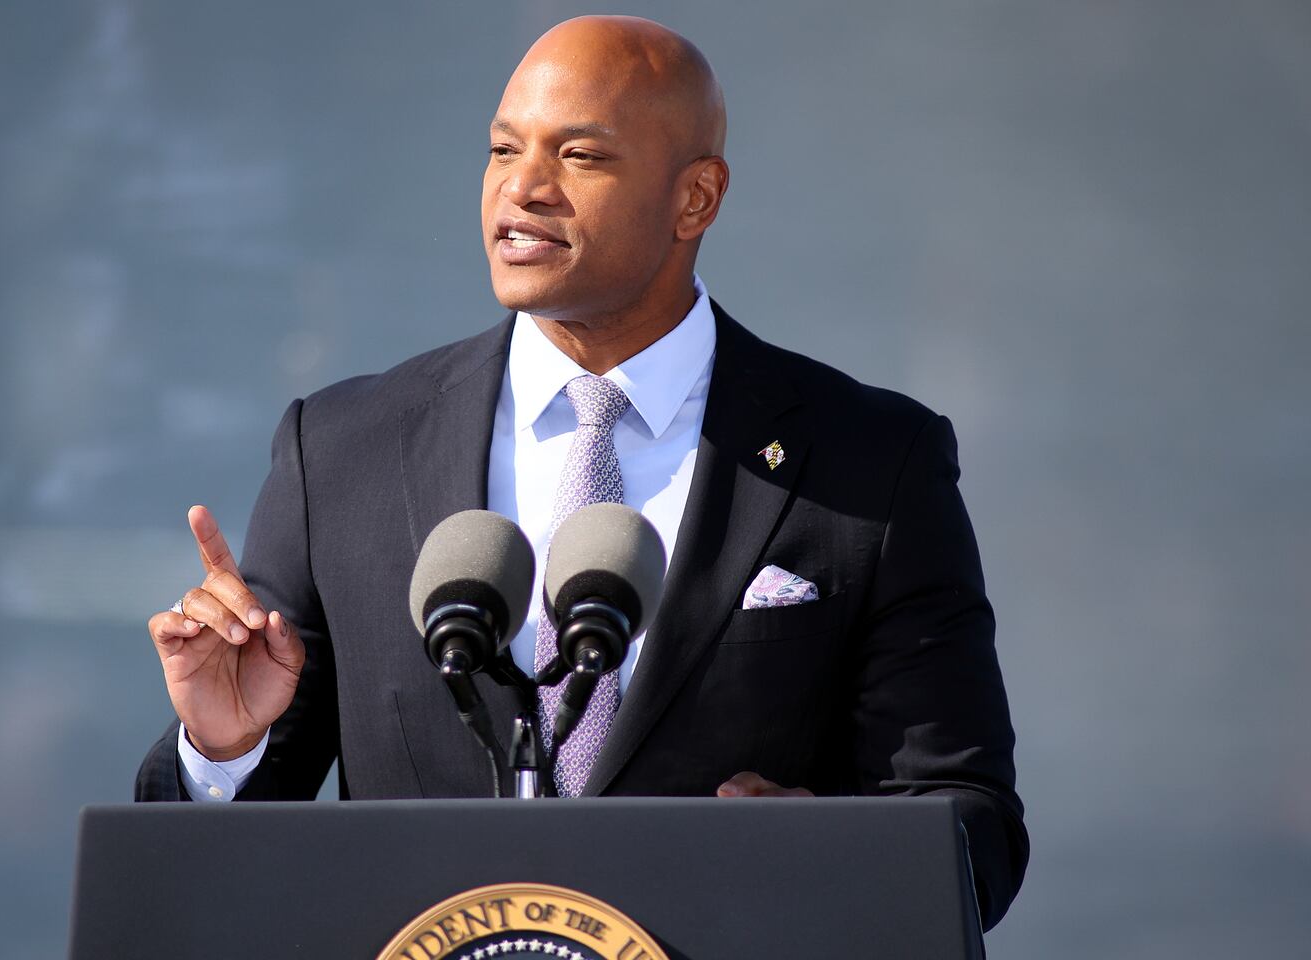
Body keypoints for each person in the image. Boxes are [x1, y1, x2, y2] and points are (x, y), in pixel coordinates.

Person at [136, 15, 1027, 927]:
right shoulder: (340, 451)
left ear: (696, 199)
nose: (523, 188)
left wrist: (827, 855)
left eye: (582, 157)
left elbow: (970, 827)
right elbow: (212, 873)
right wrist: (221, 747)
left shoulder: (870, 460)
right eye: (502, 149)